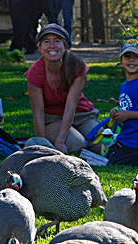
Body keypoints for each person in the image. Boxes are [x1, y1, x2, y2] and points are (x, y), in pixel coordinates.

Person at [25, 24, 101, 154]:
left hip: (82, 115)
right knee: (77, 145)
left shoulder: (76, 65)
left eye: (57, 41)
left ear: (65, 46)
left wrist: (60, 141)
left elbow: (71, 106)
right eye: (46, 42)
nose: (52, 46)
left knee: (103, 144)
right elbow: (38, 113)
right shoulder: (35, 72)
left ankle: (86, 143)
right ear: (40, 47)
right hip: (54, 119)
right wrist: (43, 144)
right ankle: (81, 143)